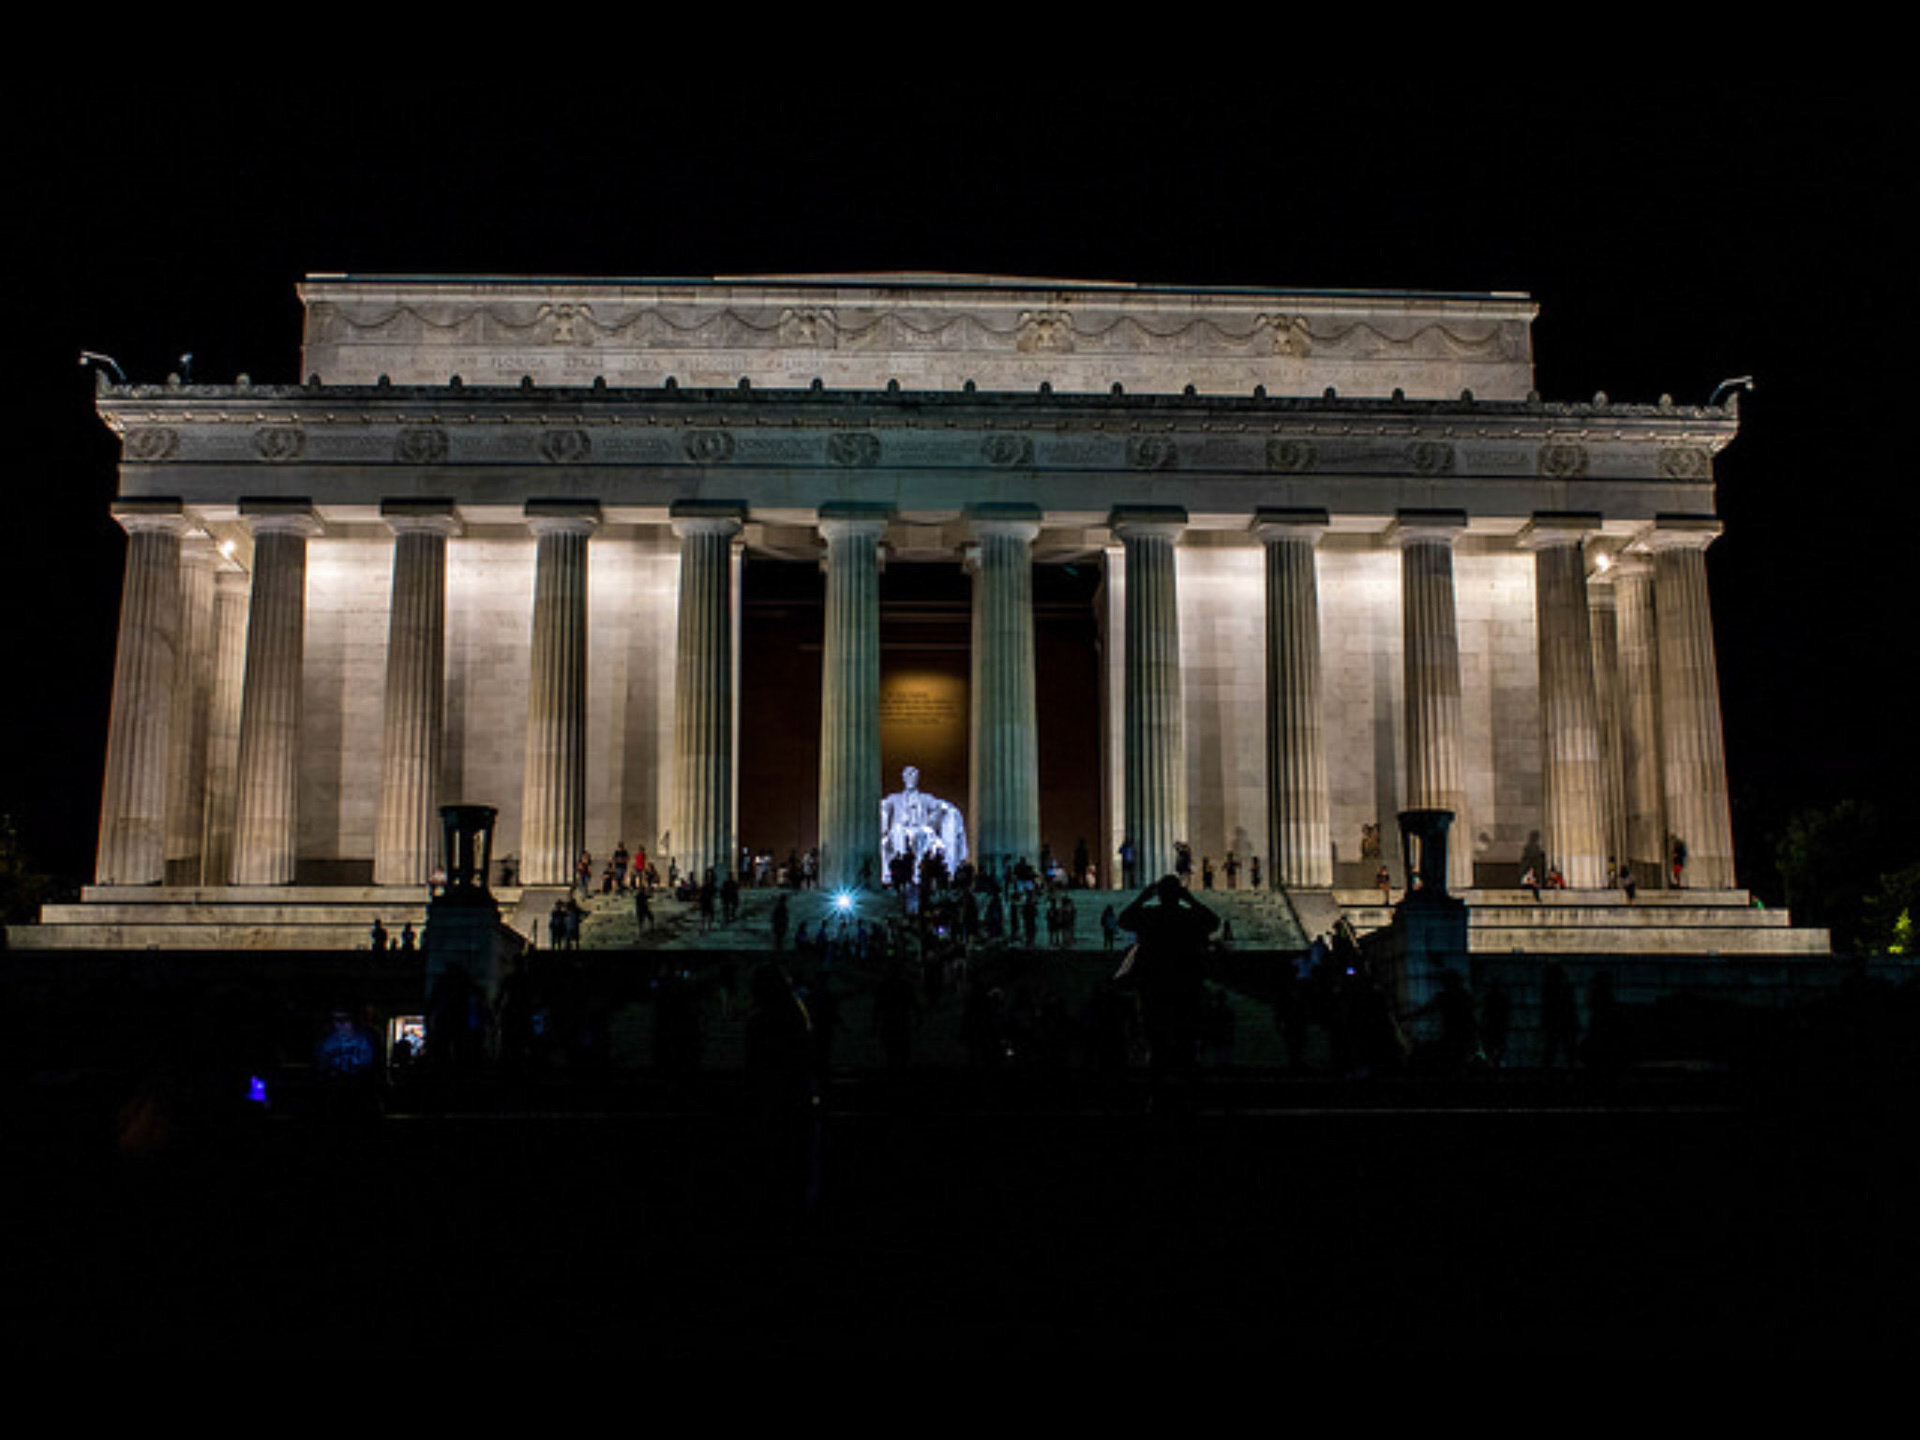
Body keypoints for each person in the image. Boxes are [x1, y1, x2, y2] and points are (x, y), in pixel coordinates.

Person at [1115, 875, 1220, 1090]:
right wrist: (1190, 899)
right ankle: (1189, 1091)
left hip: (1155, 984)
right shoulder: (1188, 917)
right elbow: (1213, 921)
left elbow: (1123, 920)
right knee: (1186, 1041)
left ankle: (1157, 1090)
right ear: (1178, 894)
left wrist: (1143, 897)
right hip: (1184, 984)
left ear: (1159, 894)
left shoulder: (1150, 916)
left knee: (1157, 1042)